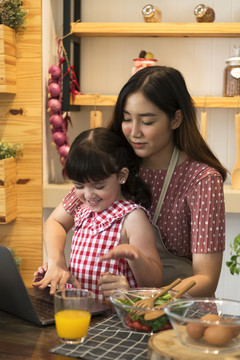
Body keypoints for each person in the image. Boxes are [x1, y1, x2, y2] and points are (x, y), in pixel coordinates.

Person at [34, 66, 227, 299]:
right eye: (127, 119)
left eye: (146, 121)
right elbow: (56, 221)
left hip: (177, 312)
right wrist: (57, 263)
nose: (134, 132)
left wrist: (142, 296)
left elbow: (206, 279)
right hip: (112, 309)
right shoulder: (113, 164)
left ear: (175, 119)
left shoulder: (201, 180)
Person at [33, 127, 163, 300]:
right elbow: (54, 223)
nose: (88, 195)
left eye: (99, 186)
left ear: (121, 176)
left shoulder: (132, 218)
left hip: (114, 318)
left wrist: (136, 256)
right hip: (82, 312)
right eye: (79, 186)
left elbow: (155, 281)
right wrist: (56, 268)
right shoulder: (82, 209)